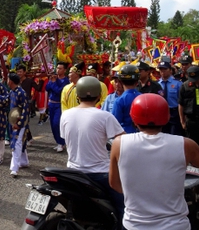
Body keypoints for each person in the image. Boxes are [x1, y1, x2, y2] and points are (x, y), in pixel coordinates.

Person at [109, 93, 199, 230]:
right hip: (176, 225)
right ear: (166, 118)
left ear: (134, 118)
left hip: (134, 225)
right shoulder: (186, 145)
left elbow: (114, 184)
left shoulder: (119, 144)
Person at [60, 76, 125, 226]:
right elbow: (124, 141)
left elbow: (66, 138)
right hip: (99, 174)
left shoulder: (66, 115)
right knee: (126, 206)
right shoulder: (105, 116)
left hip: (73, 172)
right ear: (99, 96)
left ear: (77, 95)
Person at [7, 73, 31, 178]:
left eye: (7, 80)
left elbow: (26, 109)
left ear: (11, 81)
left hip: (20, 122)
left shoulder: (21, 93)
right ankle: (24, 162)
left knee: (16, 143)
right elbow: (5, 100)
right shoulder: (12, 92)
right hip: (13, 122)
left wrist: (19, 124)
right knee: (20, 142)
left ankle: (14, 168)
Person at [179, 65, 199, 146]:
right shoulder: (184, 86)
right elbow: (181, 104)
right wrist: (182, 121)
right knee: (192, 143)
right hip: (190, 118)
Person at [45, 62, 70, 152]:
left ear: (64, 70)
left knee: (57, 123)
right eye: (57, 68)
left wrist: (54, 83)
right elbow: (47, 88)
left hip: (59, 104)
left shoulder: (66, 81)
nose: (58, 70)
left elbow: (59, 91)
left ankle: (61, 142)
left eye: (60, 68)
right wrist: (51, 81)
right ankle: (58, 142)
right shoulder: (53, 78)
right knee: (52, 124)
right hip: (51, 104)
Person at [112, 64, 142, 133]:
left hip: (124, 136)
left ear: (121, 81)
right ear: (137, 82)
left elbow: (114, 124)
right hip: (141, 136)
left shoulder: (119, 101)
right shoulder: (143, 98)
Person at [158, 61, 183, 136]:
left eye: (165, 69)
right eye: (161, 70)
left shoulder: (178, 83)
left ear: (170, 70)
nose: (163, 72)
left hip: (174, 113)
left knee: (174, 134)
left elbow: (181, 100)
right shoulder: (157, 84)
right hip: (161, 112)